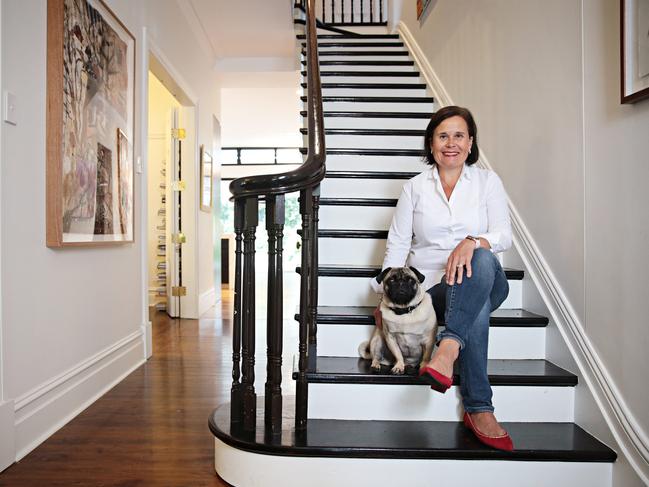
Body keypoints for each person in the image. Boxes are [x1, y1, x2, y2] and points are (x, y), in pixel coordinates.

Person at [371, 105, 514, 451]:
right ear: (431, 143)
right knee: (474, 309)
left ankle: (446, 348)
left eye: (459, 135)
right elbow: (399, 245)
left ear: (470, 143)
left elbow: (504, 236)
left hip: (486, 278)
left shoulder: (487, 181)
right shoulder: (415, 188)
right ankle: (478, 407)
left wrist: (472, 242)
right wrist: (383, 295)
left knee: (479, 259)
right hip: (435, 292)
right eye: (442, 135)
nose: (451, 143)